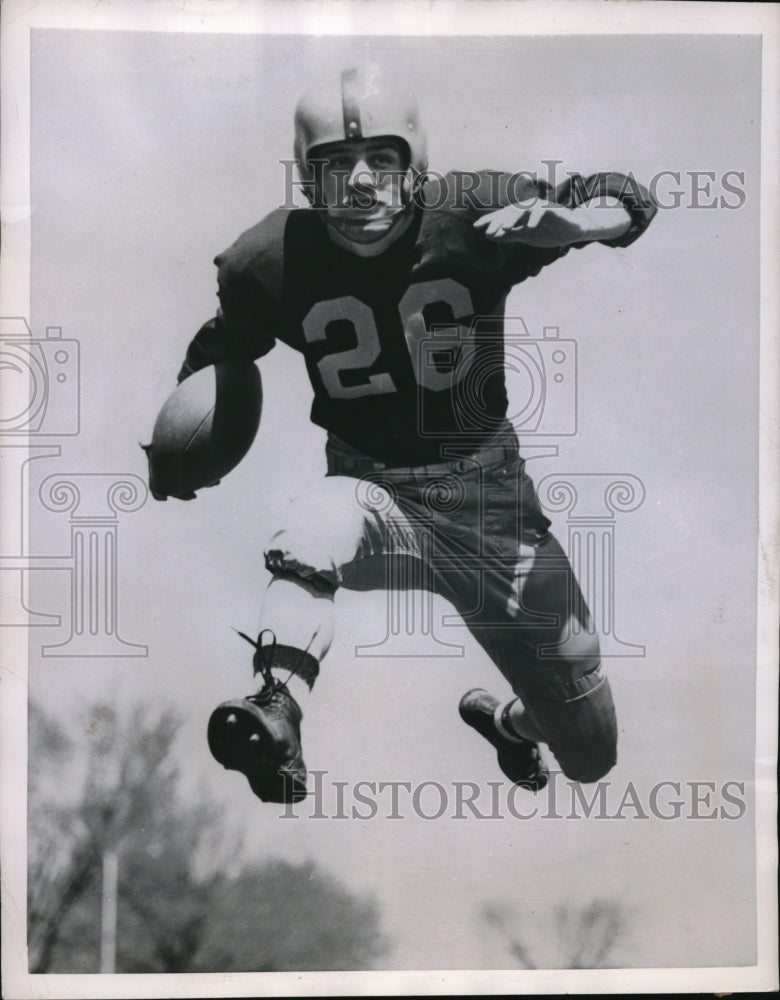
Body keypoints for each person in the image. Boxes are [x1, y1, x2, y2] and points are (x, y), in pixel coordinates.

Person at [156, 65, 656, 804]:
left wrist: (582, 224)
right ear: (306, 178)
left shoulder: (477, 215)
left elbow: (628, 197)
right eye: (335, 167)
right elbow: (223, 349)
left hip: (490, 509)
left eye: (380, 162)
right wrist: (175, 454)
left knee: (589, 756)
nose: (359, 185)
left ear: (413, 165)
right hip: (373, 493)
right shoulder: (268, 260)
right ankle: (277, 708)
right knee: (311, 524)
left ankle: (511, 726)